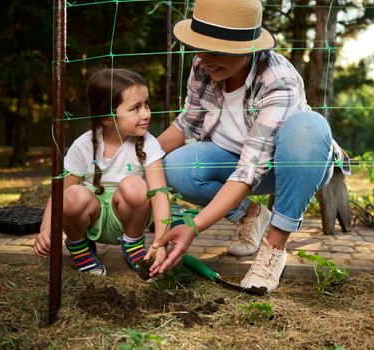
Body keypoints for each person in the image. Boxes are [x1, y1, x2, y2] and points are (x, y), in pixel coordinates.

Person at [146, 0, 349, 292]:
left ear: (248, 48)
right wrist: (139, 157)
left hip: (290, 164)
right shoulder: (204, 65)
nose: (205, 58)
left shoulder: (278, 80)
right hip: (233, 159)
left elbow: (249, 170)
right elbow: (186, 126)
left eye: (216, 51)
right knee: (177, 166)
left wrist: (193, 227)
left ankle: (274, 247)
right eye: (200, 47)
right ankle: (251, 216)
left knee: (309, 126)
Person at [34, 68, 169, 276]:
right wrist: (46, 229)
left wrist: (160, 242)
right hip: (92, 218)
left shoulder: (148, 143)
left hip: (126, 217)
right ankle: (80, 248)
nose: (146, 113)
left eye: (147, 104)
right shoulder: (84, 145)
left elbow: (159, 193)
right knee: (71, 195)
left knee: (136, 187)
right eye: (136, 108)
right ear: (107, 118)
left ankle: (133, 244)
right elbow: (59, 192)